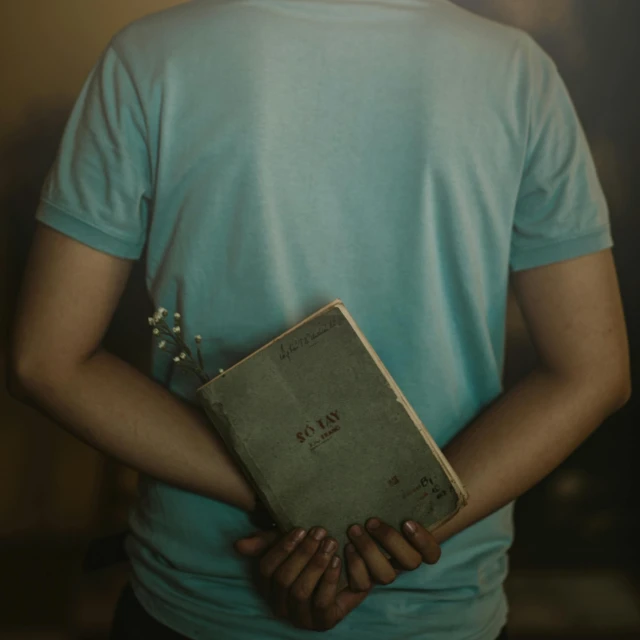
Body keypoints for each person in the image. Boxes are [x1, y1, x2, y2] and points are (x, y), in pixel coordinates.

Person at [11, 0, 630, 638]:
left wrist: (290, 499)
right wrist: (399, 525)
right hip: (435, 600)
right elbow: (592, 372)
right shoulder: (520, 74)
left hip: (198, 596)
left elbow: (47, 362)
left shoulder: (149, 58)